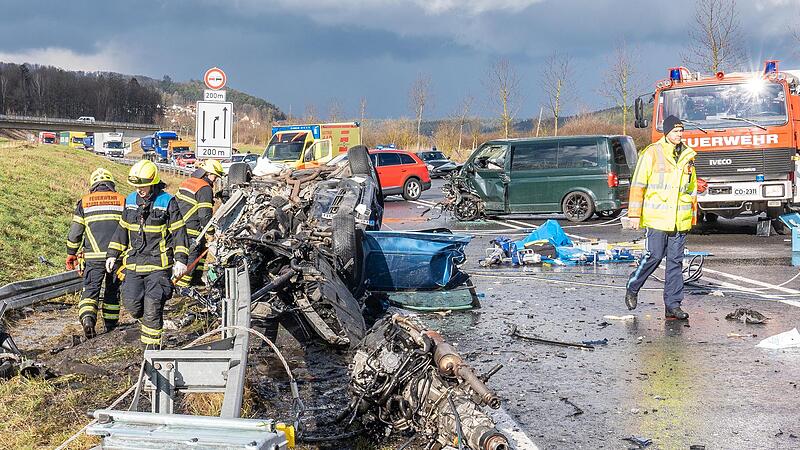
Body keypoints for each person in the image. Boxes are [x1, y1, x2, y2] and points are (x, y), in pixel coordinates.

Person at [105, 160, 189, 346]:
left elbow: (179, 232)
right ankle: (149, 330)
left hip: (159, 266)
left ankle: (150, 350)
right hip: (134, 264)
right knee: (133, 306)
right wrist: (112, 253)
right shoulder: (130, 201)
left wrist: (181, 260)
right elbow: (122, 230)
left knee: (152, 306)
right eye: (136, 185)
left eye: (142, 185)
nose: (139, 189)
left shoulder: (167, 202)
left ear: (153, 182)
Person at [625, 115, 697, 320]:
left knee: (675, 262)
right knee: (654, 256)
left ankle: (673, 306)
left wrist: (692, 214)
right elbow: (638, 184)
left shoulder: (688, 155)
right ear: (667, 133)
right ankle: (633, 286)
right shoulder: (652, 153)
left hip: (679, 219)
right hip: (656, 218)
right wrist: (634, 215)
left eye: (681, 131)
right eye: (676, 131)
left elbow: (690, 189)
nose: (680, 134)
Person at [66, 168, 126, 339]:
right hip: (117, 256)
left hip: (93, 258)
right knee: (112, 291)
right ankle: (111, 326)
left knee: (90, 290)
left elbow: (75, 233)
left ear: (93, 186)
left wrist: (71, 253)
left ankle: (87, 319)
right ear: (111, 184)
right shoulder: (122, 200)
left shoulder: (84, 203)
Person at [174, 159, 224, 289]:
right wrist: (211, 233)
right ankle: (182, 287)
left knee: (202, 248)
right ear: (206, 173)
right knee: (192, 255)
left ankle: (196, 279)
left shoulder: (187, 182)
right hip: (192, 227)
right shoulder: (205, 188)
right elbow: (204, 215)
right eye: (214, 176)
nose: (215, 180)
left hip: (178, 224)